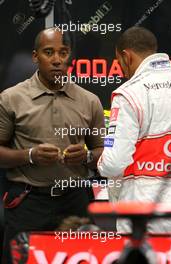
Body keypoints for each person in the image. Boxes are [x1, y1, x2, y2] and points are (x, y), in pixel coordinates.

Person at [0, 27, 104, 262]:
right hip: (29, 203)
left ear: (70, 57)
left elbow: (103, 153)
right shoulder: (11, 98)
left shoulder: (90, 101)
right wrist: (29, 155)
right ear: (35, 56)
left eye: (63, 52)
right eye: (49, 52)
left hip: (75, 200)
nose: (57, 60)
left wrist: (86, 157)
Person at [98, 26, 171, 233]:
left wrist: (99, 160)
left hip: (144, 216)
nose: (122, 70)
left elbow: (113, 164)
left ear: (126, 56)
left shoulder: (128, 94)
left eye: (119, 63)